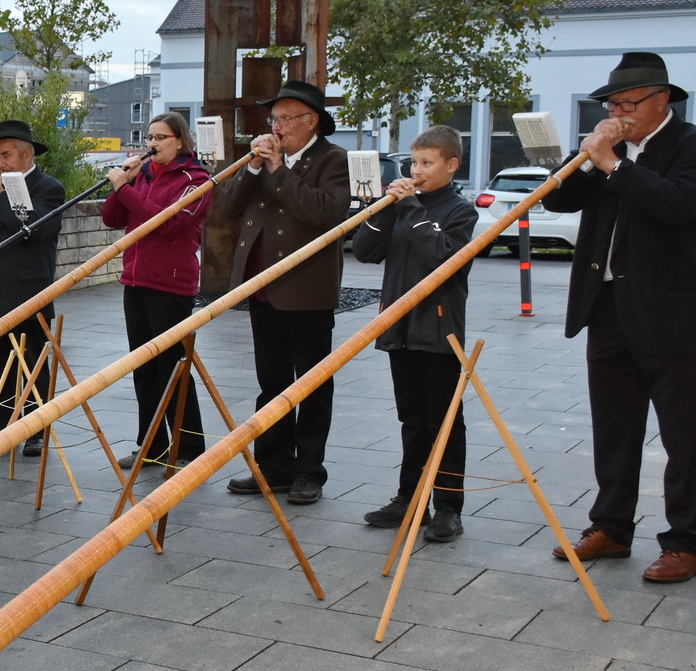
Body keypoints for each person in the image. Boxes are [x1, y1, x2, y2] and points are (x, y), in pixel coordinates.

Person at [543, 52, 696, 583]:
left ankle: (684, 542)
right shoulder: (608, 149)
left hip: (674, 315)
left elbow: (676, 205)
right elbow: (558, 201)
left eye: (627, 102)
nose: (618, 111)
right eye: (612, 103)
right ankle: (612, 527)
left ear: (662, 100)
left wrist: (614, 165)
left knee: (683, 436)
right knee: (615, 429)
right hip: (610, 310)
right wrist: (585, 157)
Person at [215, 79, 349, 505]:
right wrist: (253, 167)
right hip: (262, 285)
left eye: (287, 118)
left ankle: (309, 471)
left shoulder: (334, 159)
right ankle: (272, 467)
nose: (277, 126)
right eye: (274, 118)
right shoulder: (265, 159)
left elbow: (322, 212)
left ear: (312, 122)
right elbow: (227, 206)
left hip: (306, 287)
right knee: (270, 380)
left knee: (311, 383)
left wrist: (276, 170)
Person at [351, 125, 478, 543]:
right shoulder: (404, 207)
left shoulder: (460, 211)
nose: (416, 170)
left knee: (443, 421)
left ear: (451, 164)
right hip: (399, 326)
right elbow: (366, 251)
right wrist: (384, 208)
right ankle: (410, 498)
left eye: (427, 163)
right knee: (412, 418)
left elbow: (443, 256)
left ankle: (448, 506)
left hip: (439, 329)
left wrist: (409, 208)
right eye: (413, 162)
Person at [100, 111, 212, 468]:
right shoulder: (144, 176)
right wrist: (125, 186)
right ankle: (151, 445)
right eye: (149, 138)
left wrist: (125, 189)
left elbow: (166, 222)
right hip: (135, 279)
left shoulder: (196, 180)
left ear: (180, 140)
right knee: (143, 367)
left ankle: (190, 446)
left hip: (171, 283)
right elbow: (112, 218)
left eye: (161, 137)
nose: (153, 145)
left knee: (172, 367)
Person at [0, 120, 68, 458]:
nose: (1, 163)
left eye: (6, 156)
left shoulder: (49, 187)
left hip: (28, 288)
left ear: (27, 154)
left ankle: (37, 427)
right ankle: (0, 423)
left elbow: (36, 229)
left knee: (32, 360)